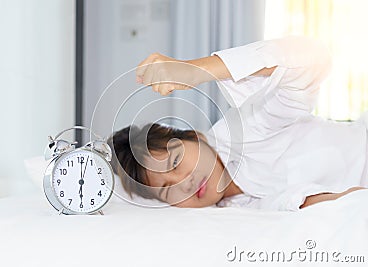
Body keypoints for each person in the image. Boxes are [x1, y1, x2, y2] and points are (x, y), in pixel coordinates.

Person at [107, 36, 367, 211]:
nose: (183, 183)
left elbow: (310, 58)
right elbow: (308, 202)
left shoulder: (249, 127)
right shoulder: (233, 210)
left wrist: (197, 70)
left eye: (175, 161)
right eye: (166, 191)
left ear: (195, 136)